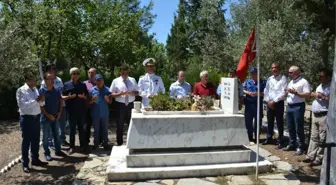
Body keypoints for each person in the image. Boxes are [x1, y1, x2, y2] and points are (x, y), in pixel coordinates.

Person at [16, 73, 48, 173]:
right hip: (27, 118)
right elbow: (22, 106)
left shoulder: (35, 89)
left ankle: (35, 159)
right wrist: (36, 101)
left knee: (36, 139)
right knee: (26, 141)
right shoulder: (21, 90)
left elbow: (41, 103)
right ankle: (25, 163)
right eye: (34, 79)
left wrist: (42, 101)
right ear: (28, 80)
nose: (35, 81)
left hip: (36, 117)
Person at [300, 69, 331, 165]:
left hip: (324, 115)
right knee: (314, 137)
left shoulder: (331, 87)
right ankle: (310, 156)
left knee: (322, 138)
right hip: (315, 114)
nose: (320, 78)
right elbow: (314, 94)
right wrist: (314, 94)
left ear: (328, 77)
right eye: (320, 76)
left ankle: (319, 158)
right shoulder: (319, 86)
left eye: (322, 76)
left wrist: (323, 97)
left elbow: (331, 101)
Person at [283, 66, 311, 155]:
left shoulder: (304, 82)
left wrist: (296, 93)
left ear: (297, 73)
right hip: (289, 106)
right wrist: (287, 91)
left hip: (298, 106)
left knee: (299, 127)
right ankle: (292, 144)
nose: (289, 74)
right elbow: (289, 92)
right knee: (290, 126)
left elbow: (307, 94)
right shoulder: (291, 81)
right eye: (289, 72)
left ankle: (300, 146)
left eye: (291, 73)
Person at [39, 72, 67, 161]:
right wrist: (48, 115)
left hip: (55, 117)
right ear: (45, 80)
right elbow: (40, 106)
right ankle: (47, 153)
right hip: (46, 118)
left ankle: (58, 150)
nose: (51, 81)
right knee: (46, 137)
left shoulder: (57, 91)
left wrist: (59, 113)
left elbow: (60, 102)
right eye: (49, 79)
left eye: (53, 79)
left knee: (56, 135)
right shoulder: (42, 92)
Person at [41, 63, 69, 147]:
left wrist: (68, 97)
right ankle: (50, 142)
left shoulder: (59, 80)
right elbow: (42, 99)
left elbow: (60, 93)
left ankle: (62, 140)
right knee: (50, 126)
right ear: (48, 71)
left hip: (61, 105)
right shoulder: (44, 82)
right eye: (52, 69)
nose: (54, 70)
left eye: (54, 68)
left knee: (62, 124)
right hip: (50, 108)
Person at [110, 65, 139, 146]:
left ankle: (132, 143)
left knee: (132, 124)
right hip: (120, 105)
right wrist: (120, 94)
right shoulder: (115, 81)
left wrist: (133, 93)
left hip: (130, 105)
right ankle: (119, 143)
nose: (124, 73)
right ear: (120, 72)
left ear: (128, 72)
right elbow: (111, 94)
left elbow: (137, 92)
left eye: (126, 72)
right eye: (123, 72)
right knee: (120, 125)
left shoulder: (132, 80)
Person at [62, 67, 88, 155]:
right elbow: (62, 97)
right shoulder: (66, 85)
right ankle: (72, 147)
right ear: (71, 74)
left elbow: (87, 96)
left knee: (82, 129)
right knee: (72, 130)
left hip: (81, 111)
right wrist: (69, 97)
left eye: (77, 73)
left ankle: (82, 146)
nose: (76, 75)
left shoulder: (82, 85)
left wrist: (83, 97)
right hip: (71, 111)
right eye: (74, 73)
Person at [263, 63, 288, 149]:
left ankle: (280, 141)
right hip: (269, 102)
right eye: (272, 68)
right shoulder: (270, 78)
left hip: (278, 103)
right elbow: (266, 90)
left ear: (279, 69)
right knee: (270, 121)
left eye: (275, 68)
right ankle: (269, 138)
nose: (274, 69)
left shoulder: (283, 78)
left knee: (279, 122)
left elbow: (284, 92)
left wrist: (274, 101)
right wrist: (268, 100)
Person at [89, 74, 112, 150]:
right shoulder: (92, 90)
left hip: (105, 113)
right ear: (95, 81)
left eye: (101, 80)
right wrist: (92, 100)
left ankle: (105, 144)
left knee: (105, 129)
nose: (99, 82)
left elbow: (110, 102)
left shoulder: (108, 90)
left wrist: (107, 99)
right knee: (96, 130)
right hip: (95, 113)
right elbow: (88, 103)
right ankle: (95, 144)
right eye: (98, 80)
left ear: (103, 80)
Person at [243, 67, 266, 142]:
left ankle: (257, 137)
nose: (253, 75)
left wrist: (257, 94)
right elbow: (243, 89)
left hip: (258, 104)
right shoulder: (247, 81)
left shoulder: (262, 82)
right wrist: (248, 93)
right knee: (248, 122)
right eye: (252, 73)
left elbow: (265, 93)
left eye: (255, 73)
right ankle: (249, 137)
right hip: (249, 104)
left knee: (258, 122)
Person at [84, 68, 98, 145]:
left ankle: (98, 141)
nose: (91, 74)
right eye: (89, 72)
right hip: (88, 108)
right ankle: (86, 142)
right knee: (87, 125)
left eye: (92, 72)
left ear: (96, 73)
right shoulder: (84, 83)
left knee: (98, 126)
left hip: (97, 108)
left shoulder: (99, 82)